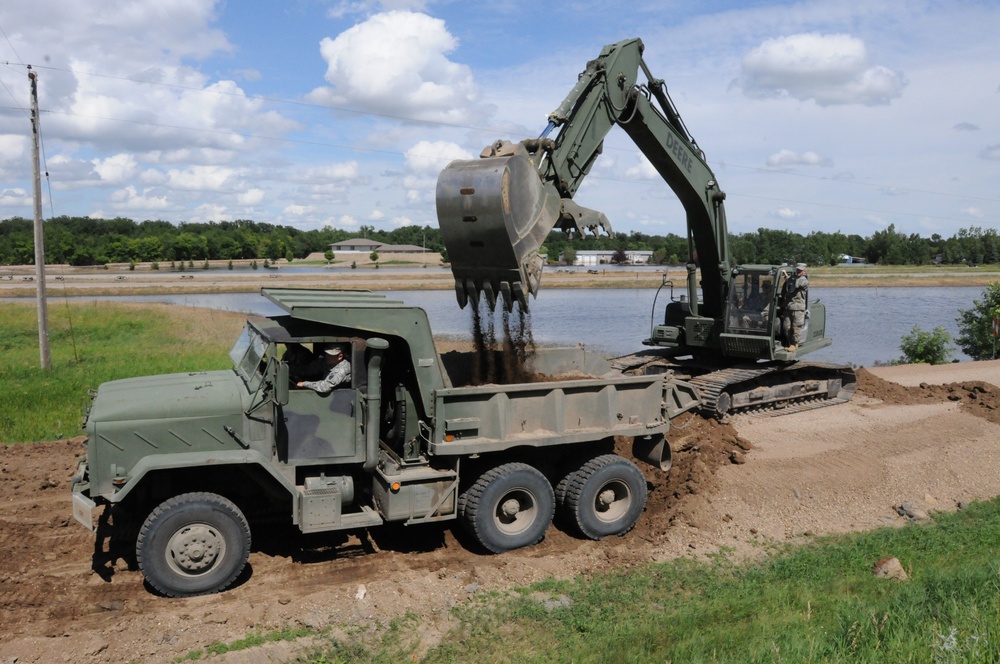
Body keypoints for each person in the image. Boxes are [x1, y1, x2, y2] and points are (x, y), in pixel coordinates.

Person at [780, 263, 809, 351]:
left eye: (800, 270)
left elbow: (794, 285)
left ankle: (794, 344)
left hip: (798, 308)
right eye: (797, 270)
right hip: (789, 307)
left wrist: (787, 276)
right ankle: (790, 343)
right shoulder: (793, 278)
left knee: (796, 327)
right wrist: (786, 276)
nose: (798, 272)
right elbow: (790, 283)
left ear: (804, 271)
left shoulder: (804, 280)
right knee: (786, 327)